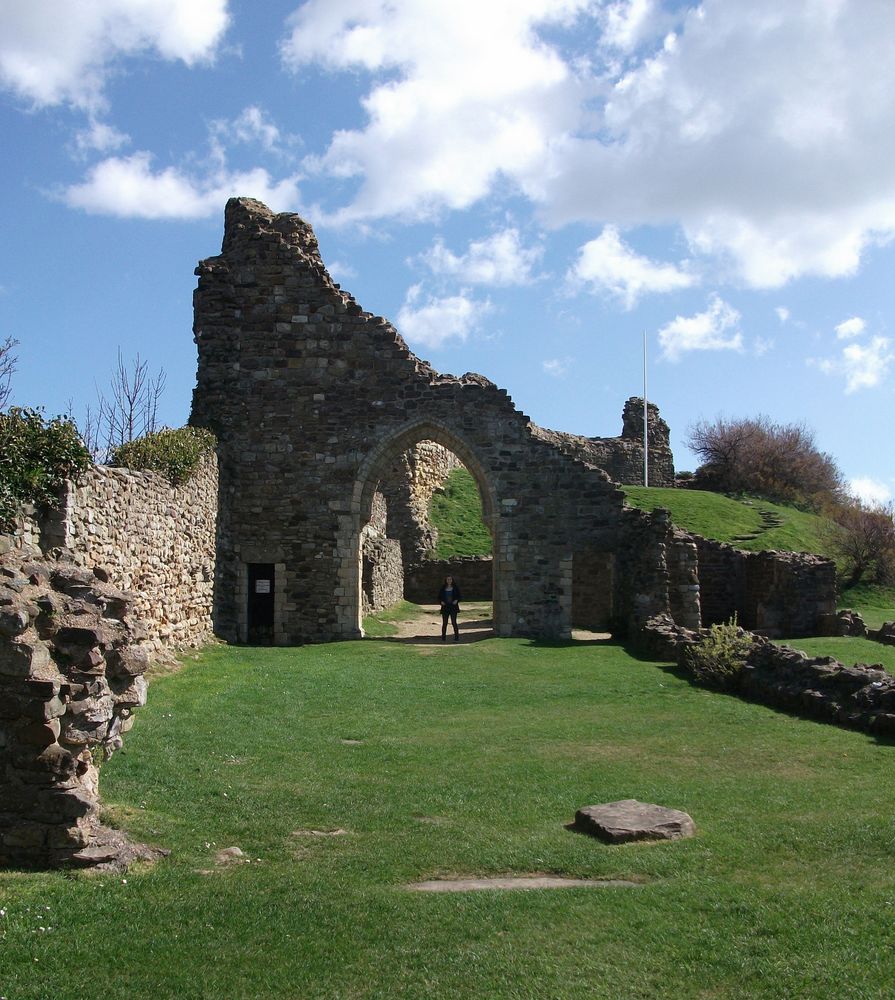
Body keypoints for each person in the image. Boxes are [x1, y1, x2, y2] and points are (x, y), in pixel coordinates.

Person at [437, 574, 461, 642]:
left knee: (454, 622)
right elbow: (439, 597)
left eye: (450, 579)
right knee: (445, 623)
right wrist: (441, 601)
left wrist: (456, 600)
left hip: (453, 607)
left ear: (452, 580)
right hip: (445, 607)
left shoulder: (455, 588)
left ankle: (456, 637)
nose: (449, 581)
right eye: (448, 579)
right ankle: (443, 637)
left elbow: (459, 596)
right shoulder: (443, 588)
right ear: (446, 580)